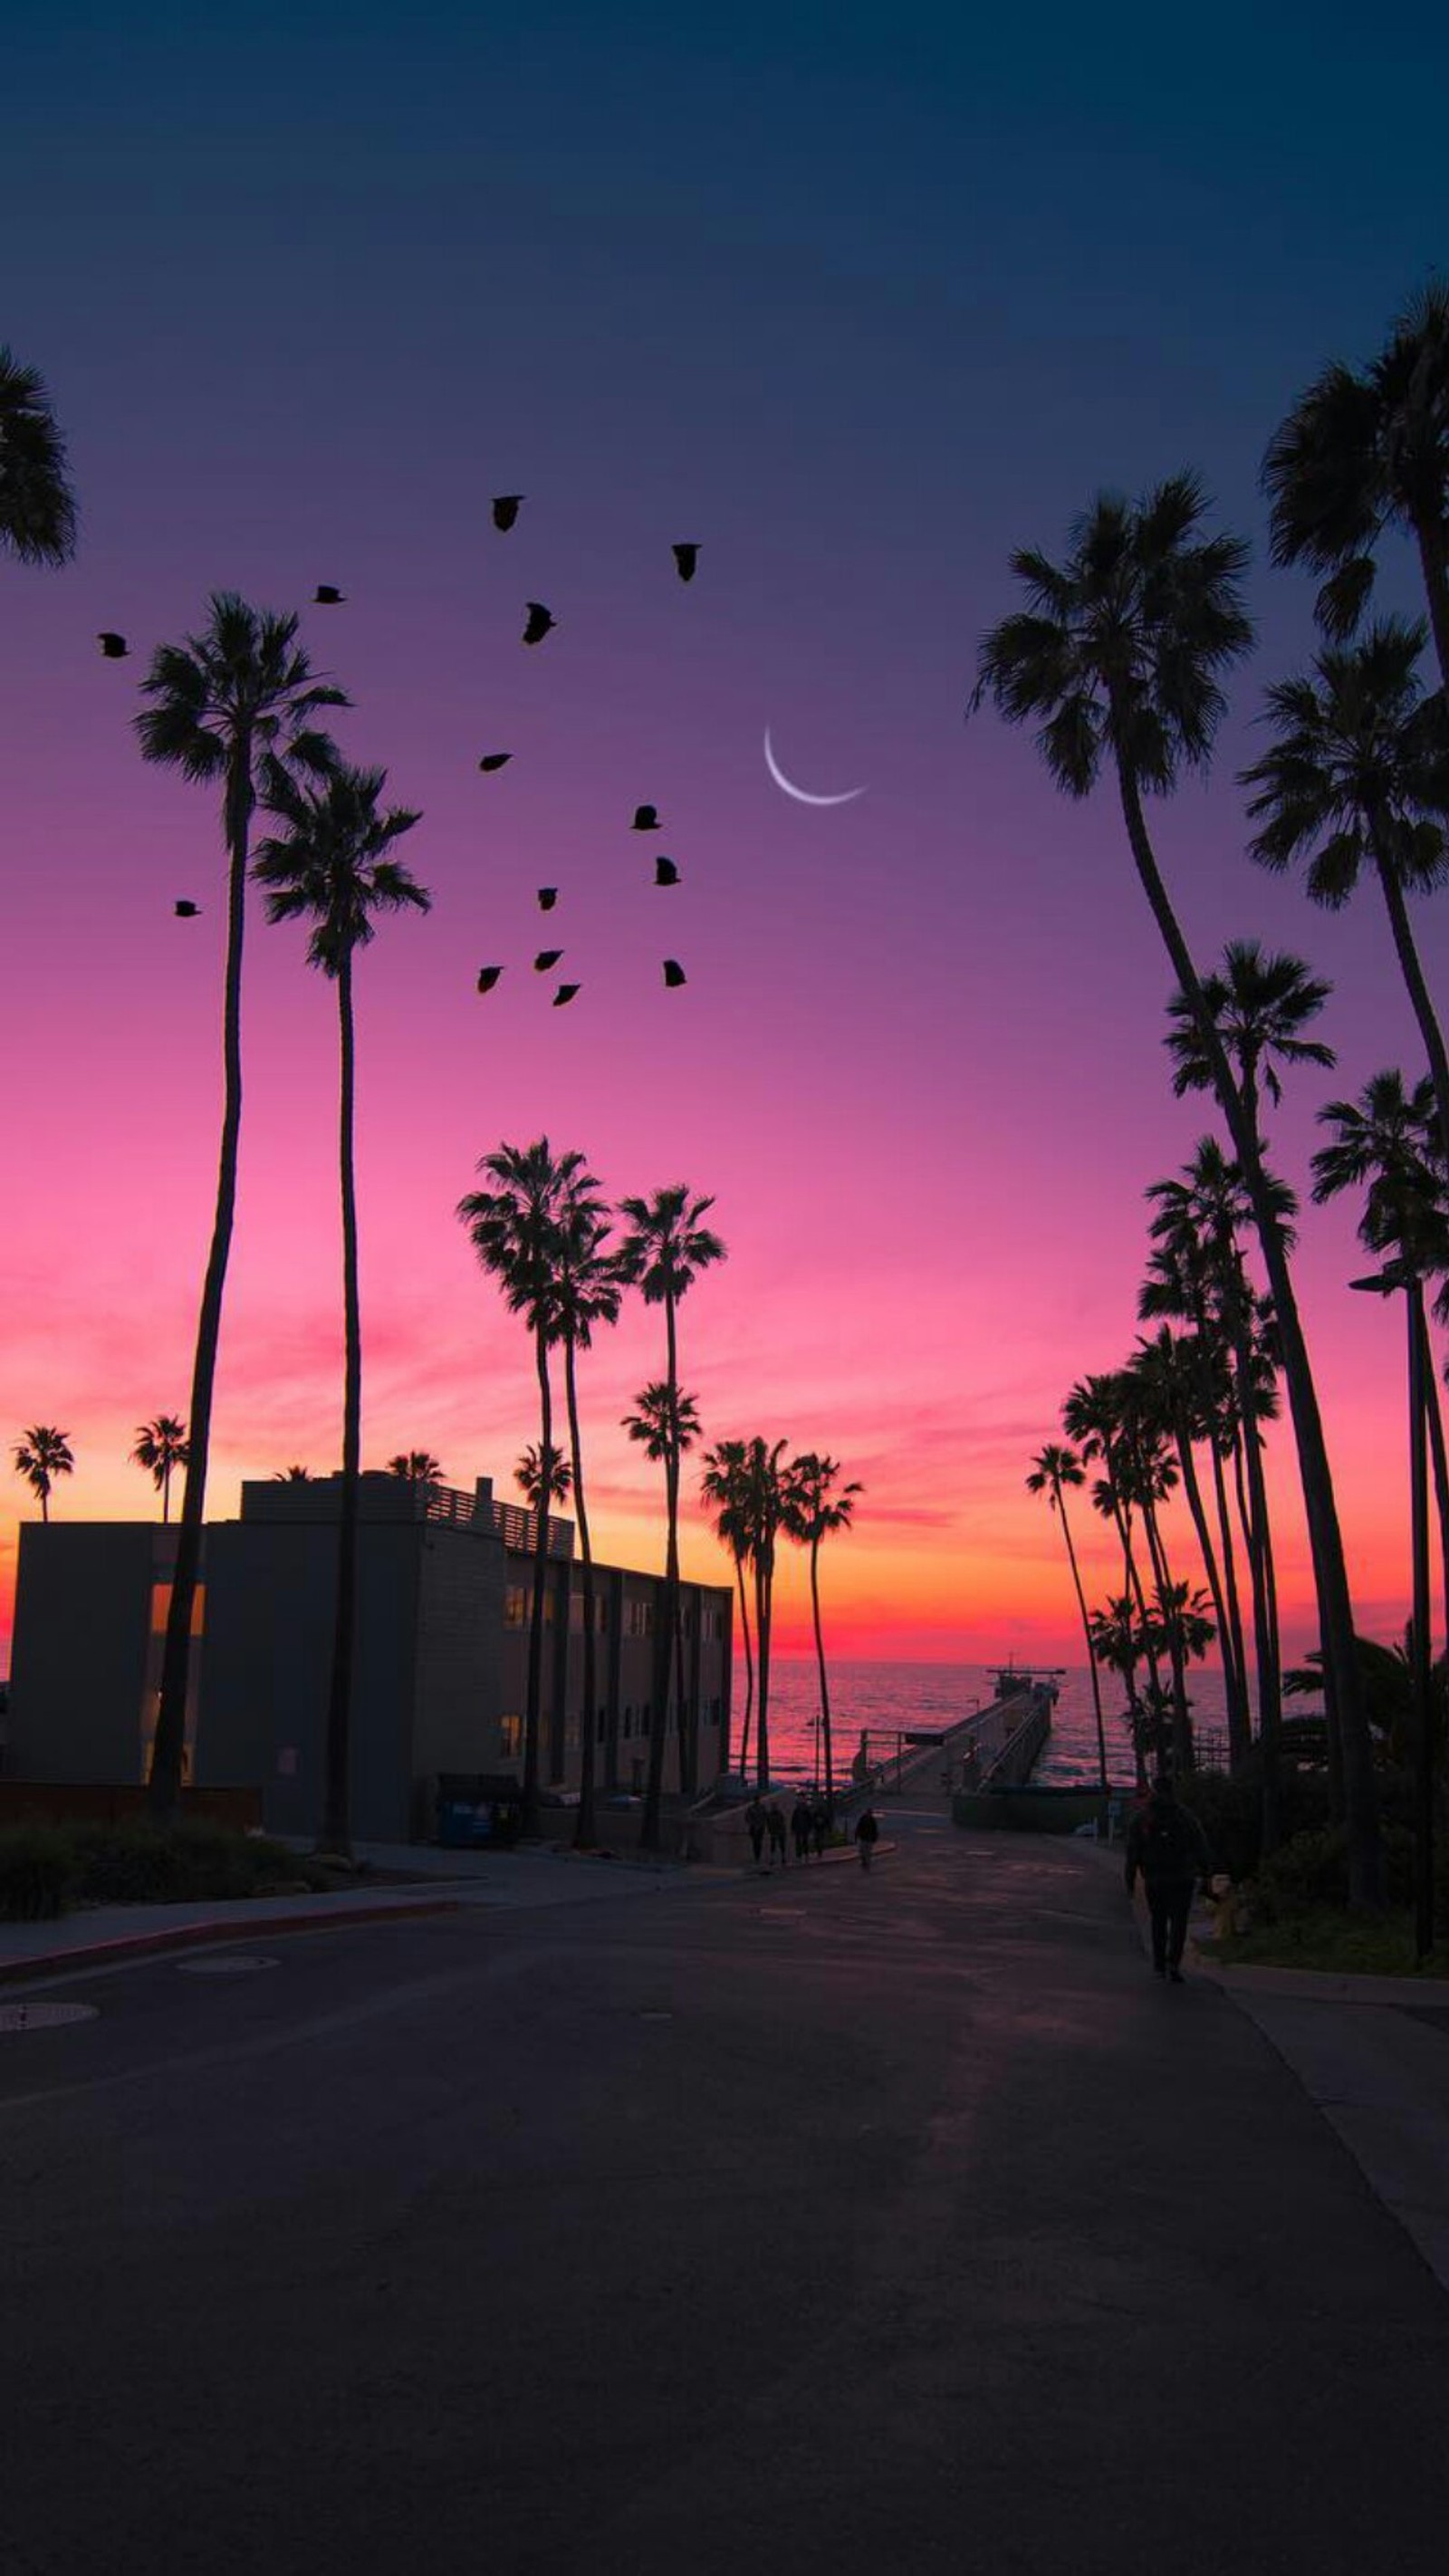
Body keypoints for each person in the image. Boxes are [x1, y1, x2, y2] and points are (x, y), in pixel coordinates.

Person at [1124, 1773, 1212, 1983]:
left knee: (1159, 1921)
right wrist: (1207, 1875)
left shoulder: (1142, 1818)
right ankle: (1174, 1964)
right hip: (1182, 1877)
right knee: (1179, 1922)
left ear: (1154, 1791)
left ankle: (1159, 1965)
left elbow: (1133, 1852)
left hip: (1155, 1878)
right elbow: (1201, 1847)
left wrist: (1129, 1881)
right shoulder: (1185, 1816)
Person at [854, 1805, 879, 1870]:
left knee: (867, 1852)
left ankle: (867, 1863)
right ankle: (864, 1862)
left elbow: (875, 1830)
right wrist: (857, 1835)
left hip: (868, 1838)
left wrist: (874, 1838)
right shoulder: (863, 1819)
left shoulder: (872, 1820)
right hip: (863, 1837)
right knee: (862, 1851)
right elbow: (858, 1828)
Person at [744, 1793, 766, 1869]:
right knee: (755, 1843)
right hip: (754, 1828)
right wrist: (752, 1823)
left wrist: (761, 1825)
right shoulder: (751, 1808)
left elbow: (765, 1817)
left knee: (758, 1844)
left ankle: (758, 1857)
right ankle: (756, 1857)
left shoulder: (762, 1808)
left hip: (760, 1828)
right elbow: (747, 1818)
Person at [791, 1795, 812, 1864]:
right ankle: (800, 1856)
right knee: (799, 1843)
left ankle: (805, 1855)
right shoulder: (797, 1811)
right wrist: (793, 1829)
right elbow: (793, 1821)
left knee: (804, 1843)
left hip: (804, 1829)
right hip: (799, 1829)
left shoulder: (806, 1811)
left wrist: (809, 1828)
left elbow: (810, 1820)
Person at [765, 1799, 787, 1869]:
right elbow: (768, 1823)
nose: (774, 1807)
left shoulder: (779, 1814)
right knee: (773, 1846)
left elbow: (782, 1823)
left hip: (779, 1831)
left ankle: (783, 1858)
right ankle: (773, 1859)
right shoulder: (770, 1815)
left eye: (774, 1806)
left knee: (781, 1845)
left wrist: (781, 1830)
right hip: (774, 1832)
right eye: (773, 1806)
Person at [810, 1795, 829, 1860]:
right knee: (818, 1840)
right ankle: (819, 1851)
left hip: (820, 1828)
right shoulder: (817, 1812)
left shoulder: (820, 1812)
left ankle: (819, 1851)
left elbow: (826, 1819)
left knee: (819, 1840)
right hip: (818, 1828)